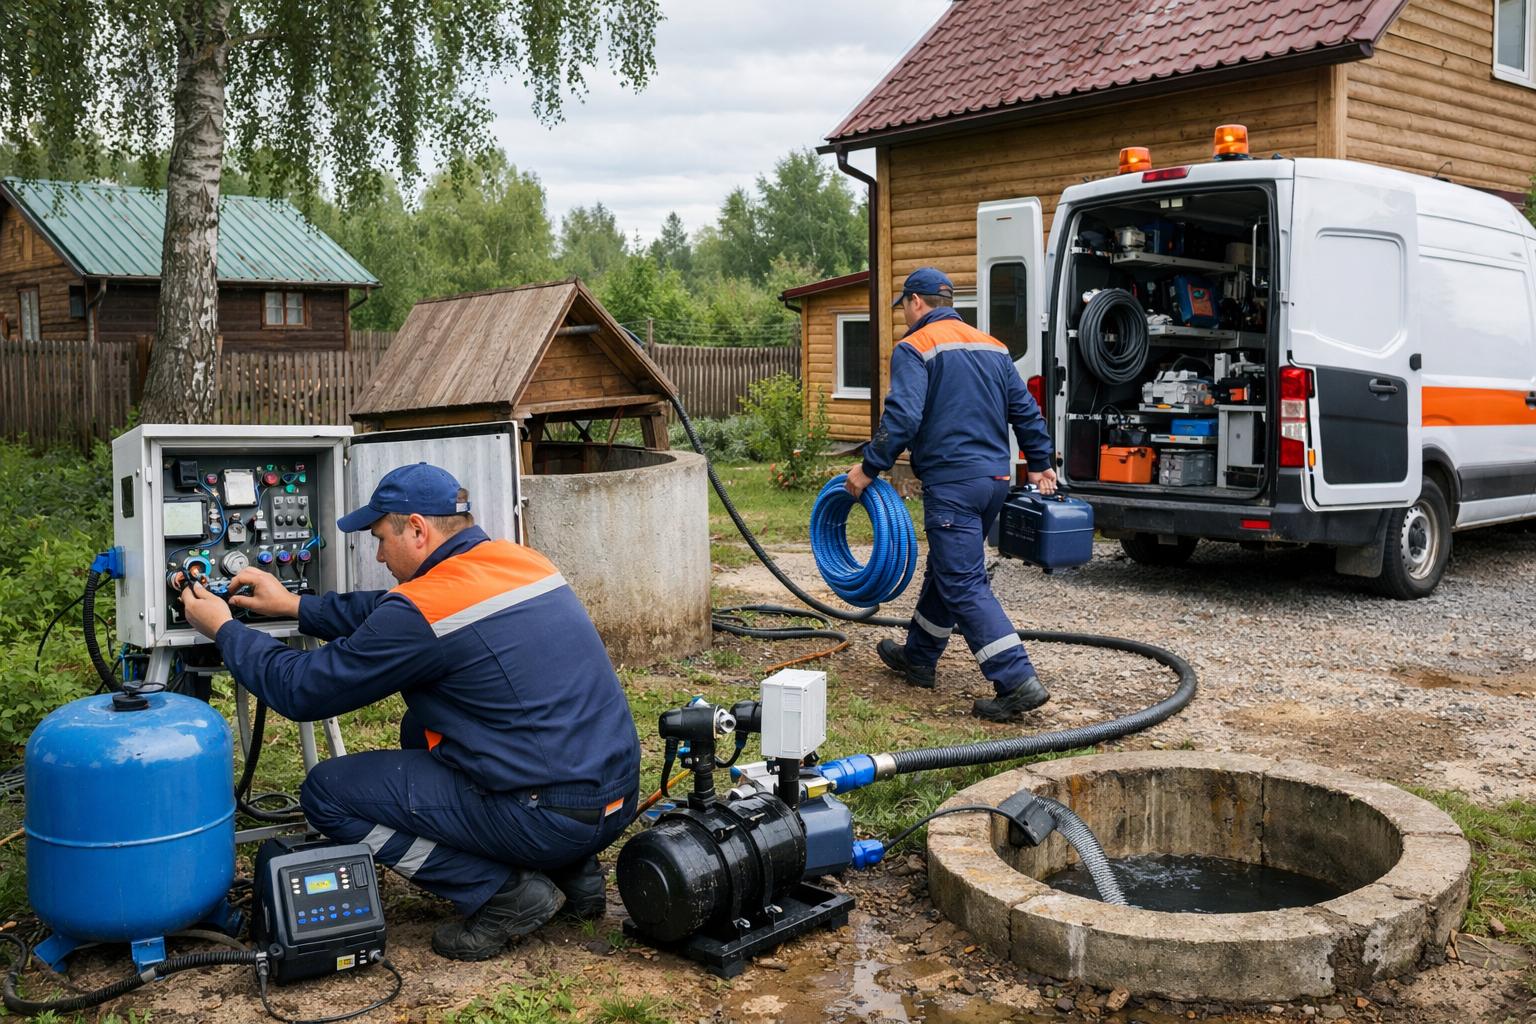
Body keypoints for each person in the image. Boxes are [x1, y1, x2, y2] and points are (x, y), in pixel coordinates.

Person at [179, 463, 641, 961]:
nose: (378, 554)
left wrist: (225, 630)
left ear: (417, 529)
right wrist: (295, 605)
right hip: (614, 799)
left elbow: (302, 690)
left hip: (546, 816)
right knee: (420, 728)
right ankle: (577, 874)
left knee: (327, 794)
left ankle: (503, 893)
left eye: (381, 538)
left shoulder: (424, 608)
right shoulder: (518, 560)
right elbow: (389, 609)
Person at [844, 267, 1057, 722]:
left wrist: (868, 467)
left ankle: (1016, 679)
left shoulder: (915, 347)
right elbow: (1026, 411)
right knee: (946, 569)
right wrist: (1040, 463)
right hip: (993, 483)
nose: (903, 314)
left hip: (953, 485)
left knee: (963, 581)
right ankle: (919, 657)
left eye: (903, 306)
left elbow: (902, 418)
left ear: (916, 302)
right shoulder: (993, 346)